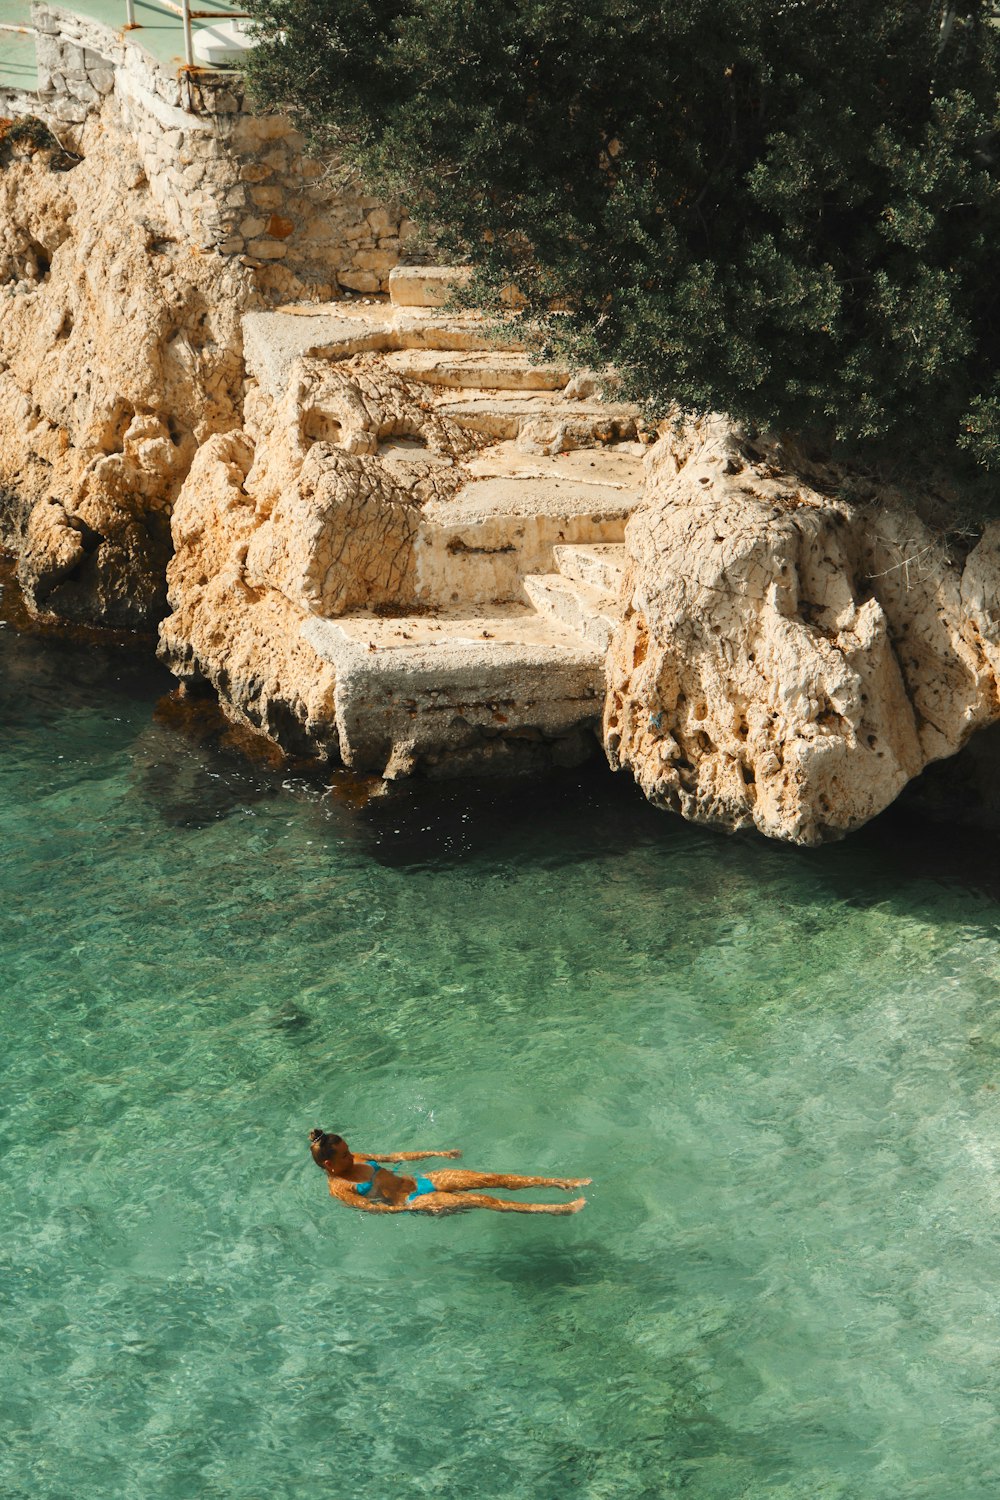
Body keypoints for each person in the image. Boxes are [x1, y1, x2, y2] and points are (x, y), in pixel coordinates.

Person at [308, 1129, 590, 1214]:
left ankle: (558, 1183)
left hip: (420, 1181)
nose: (351, 1154)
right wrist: (412, 1209)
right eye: (345, 1154)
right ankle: (554, 1209)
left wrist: (435, 1153)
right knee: (483, 1201)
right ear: (330, 1164)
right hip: (414, 1201)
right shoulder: (339, 1188)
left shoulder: (357, 1158)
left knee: (491, 1179)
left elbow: (395, 1157)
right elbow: (375, 1209)